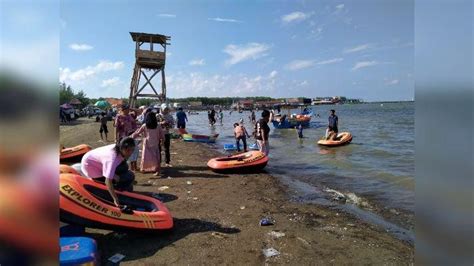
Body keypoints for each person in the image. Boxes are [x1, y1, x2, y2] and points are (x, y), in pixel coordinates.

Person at [81, 137, 136, 208]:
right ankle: (118, 188)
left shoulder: (118, 148)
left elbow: (123, 162)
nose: (130, 153)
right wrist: (115, 198)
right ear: (122, 148)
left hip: (97, 161)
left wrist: (114, 175)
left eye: (132, 150)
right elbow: (108, 181)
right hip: (90, 167)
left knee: (126, 170)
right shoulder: (112, 159)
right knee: (129, 176)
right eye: (128, 150)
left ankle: (118, 182)